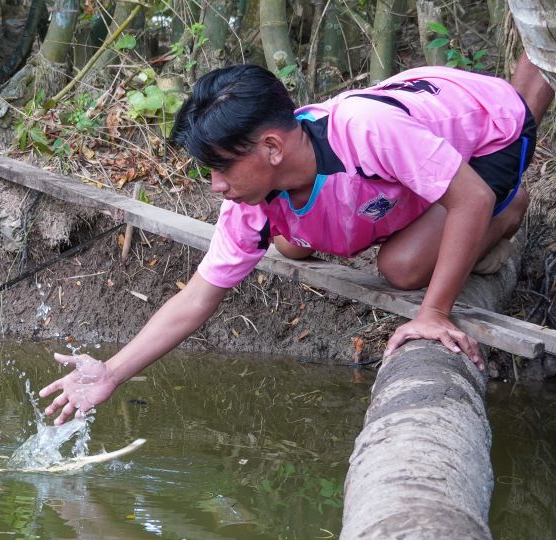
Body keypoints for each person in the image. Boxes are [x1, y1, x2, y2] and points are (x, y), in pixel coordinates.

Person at [40, 58, 554, 426]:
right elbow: (197, 298)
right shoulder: (249, 202)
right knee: (293, 242)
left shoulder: (364, 133)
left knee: (402, 266)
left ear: (270, 147)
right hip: (414, 136)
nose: (215, 185)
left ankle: (509, 208)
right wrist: (110, 372)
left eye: (221, 167)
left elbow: (465, 199)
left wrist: (434, 314)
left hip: (487, 128)